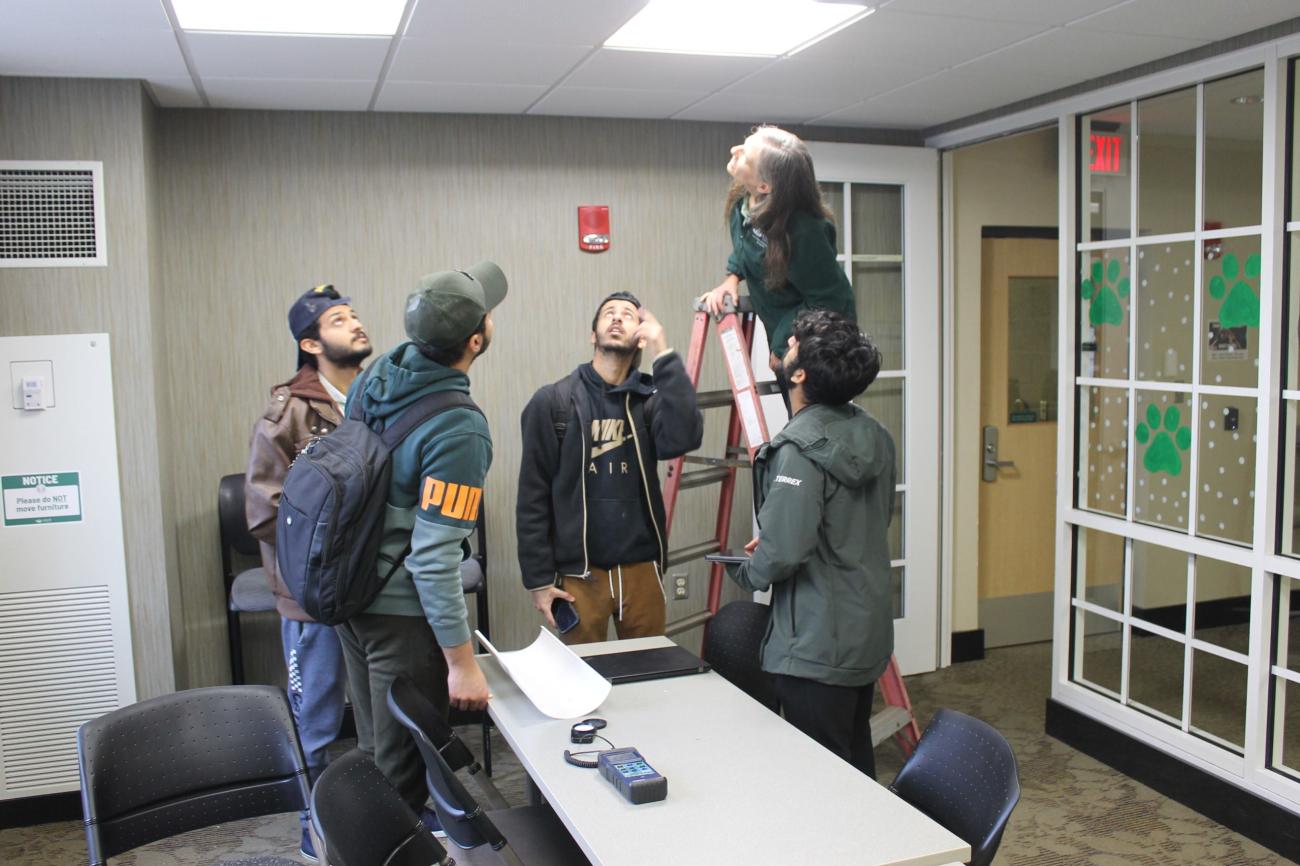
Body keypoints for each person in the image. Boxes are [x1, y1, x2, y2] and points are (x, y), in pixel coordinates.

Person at [336, 262, 503, 819]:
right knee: (400, 775)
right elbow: (432, 561)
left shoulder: (377, 375)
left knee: (373, 753)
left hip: (352, 594)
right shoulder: (460, 428)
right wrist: (462, 663)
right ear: (476, 339)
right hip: (400, 620)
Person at [726, 309, 894, 780]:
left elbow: (781, 555)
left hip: (816, 646)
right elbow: (864, 522)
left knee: (821, 779)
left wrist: (743, 567)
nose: (783, 347)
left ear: (797, 374)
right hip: (865, 633)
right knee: (854, 762)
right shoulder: (875, 436)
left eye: (793, 342)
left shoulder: (798, 450)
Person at [245, 283, 371, 860]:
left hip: (373, 587)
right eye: (339, 320)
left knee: (379, 716)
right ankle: (313, 832)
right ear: (310, 342)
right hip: (313, 595)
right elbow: (264, 509)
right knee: (317, 723)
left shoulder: (375, 396)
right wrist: (322, 560)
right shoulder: (288, 409)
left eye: (353, 315)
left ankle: (381, 822)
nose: (355, 324)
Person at [517, 291, 703, 644]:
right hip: (580, 576)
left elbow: (685, 436)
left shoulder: (648, 400)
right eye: (608, 314)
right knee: (580, 685)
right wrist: (539, 581)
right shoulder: (554, 402)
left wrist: (662, 348)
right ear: (593, 335)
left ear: (640, 334)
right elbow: (532, 497)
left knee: (647, 678)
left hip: (642, 571)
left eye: (628, 315)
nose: (617, 319)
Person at [701, 125, 856, 377]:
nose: (734, 150)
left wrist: (782, 344)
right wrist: (731, 278)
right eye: (744, 143)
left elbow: (829, 301)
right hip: (786, 329)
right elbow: (748, 245)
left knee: (810, 412)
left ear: (765, 186)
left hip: (819, 343)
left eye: (745, 155)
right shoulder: (744, 198)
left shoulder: (803, 229)